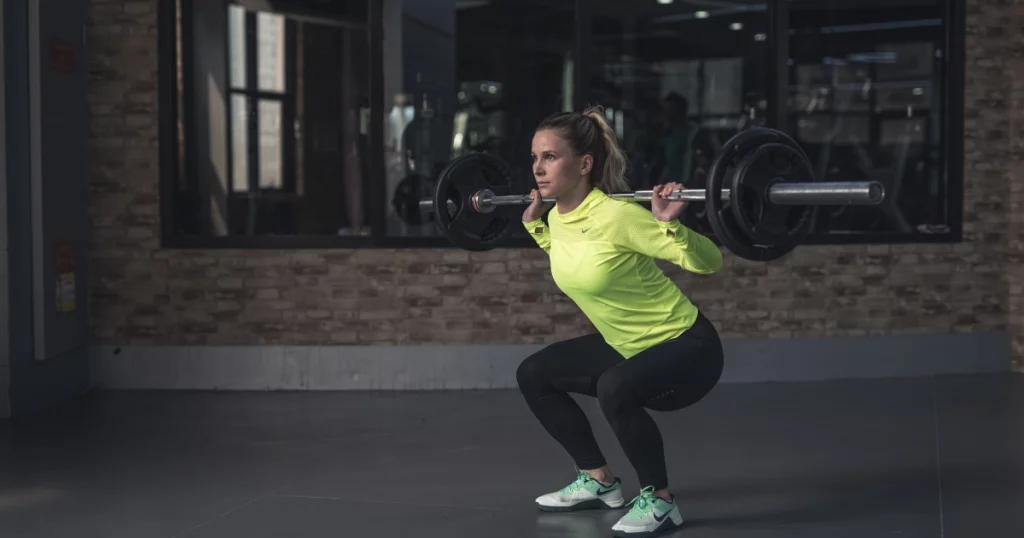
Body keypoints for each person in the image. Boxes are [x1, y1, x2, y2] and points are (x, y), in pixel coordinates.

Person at [516, 106, 725, 538]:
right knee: (534, 373)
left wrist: (671, 227)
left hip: (687, 347)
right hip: (628, 344)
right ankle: (598, 480)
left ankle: (662, 502)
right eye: (535, 158)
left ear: (585, 164)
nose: (538, 168)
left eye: (550, 157)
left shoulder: (618, 216)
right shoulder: (557, 218)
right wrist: (538, 230)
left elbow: (709, 263)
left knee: (615, 384)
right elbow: (577, 263)